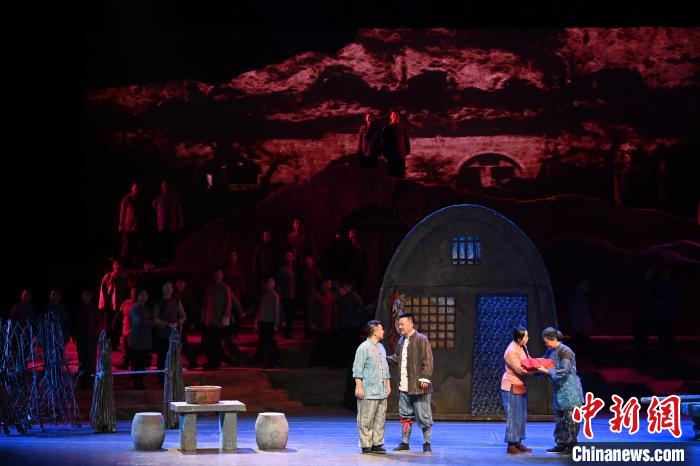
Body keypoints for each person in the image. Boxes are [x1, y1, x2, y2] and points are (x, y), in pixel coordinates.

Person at [387, 312, 434, 453]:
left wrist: (425, 377)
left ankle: (427, 442)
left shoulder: (421, 339)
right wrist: (382, 357)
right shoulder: (401, 341)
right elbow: (396, 358)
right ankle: (405, 442)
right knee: (405, 415)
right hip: (404, 386)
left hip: (419, 386)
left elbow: (428, 359)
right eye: (399, 324)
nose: (400, 327)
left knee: (423, 416)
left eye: (402, 324)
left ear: (411, 324)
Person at [536, 327, 584, 455]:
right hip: (559, 389)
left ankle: (571, 445)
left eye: (546, 341)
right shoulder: (550, 350)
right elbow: (543, 363)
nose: (546, 344)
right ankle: (561, 443)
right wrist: (533, 367)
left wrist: (547, 371)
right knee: (559, 419)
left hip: (570, 389)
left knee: (570, 419)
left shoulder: (565, 351)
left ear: (554, 339)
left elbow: (564, 370)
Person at [352, 320, 391, 455]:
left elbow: (385, 367)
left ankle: (377, 443)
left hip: (381, 390)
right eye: (381, 329)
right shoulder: (363, 348)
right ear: (374, 331)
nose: (383, 331)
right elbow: (357, 370)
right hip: (368, 390)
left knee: (380, 419)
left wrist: (388, 383)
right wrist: (359, 387)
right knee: (366, 418)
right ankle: (366, 444)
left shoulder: (381, 347)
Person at [501, 326, 532, 454]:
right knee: (513, 416)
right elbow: (520, 370)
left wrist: (536, 364)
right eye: (526, 336)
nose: (528, 338)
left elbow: (528, 361)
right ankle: (511, 445)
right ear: (519, 339)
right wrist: (537, 370)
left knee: (521, 416)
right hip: (511, 386)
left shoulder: (523, 347)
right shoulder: (511, 351)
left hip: (520, 385)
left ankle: (518, 442)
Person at [201, 269, 233, 370]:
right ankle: (214, 360)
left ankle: (216, 362)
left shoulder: (225, 287)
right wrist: (204, 316)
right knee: (210, 341)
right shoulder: (211, 287)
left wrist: (226, 317)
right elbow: (206, 302)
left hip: (219, 319)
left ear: (222, 275)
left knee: (216, 341)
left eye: (220, 273)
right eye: (216, 273)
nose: (218, 275)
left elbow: (228, 303)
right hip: (210, 319)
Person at [152, 282, 186, 373]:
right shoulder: (158, 302)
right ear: (163, 289)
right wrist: (167, 324)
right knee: (162, 357)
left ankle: (172, 375)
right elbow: (155, 319)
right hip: (161, 335)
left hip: (173, 335)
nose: (169, 289)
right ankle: (161, 376)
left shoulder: (176, 301)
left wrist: (177, 323)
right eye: (166, 287)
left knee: (172, 357)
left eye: (170, 287)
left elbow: (183, 315)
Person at [98, 260, 129, 349]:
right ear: (113, 266)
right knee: (108, 325)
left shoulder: (124, 278)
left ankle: (115, 344)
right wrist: (103, 304)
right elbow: (103, 290)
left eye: (119, 264)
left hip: (119, 306)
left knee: (117, 325)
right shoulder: (107, 276)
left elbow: (126, 292)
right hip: (109, 306)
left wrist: (125, 305)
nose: (118, 266)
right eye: (116, 264)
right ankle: (108, 344)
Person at [152, 180, 184, 263]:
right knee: (163, 243)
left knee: (171, 243)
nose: (165, 187)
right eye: (163, 185)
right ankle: (163, 259)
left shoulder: (174, 198)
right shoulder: (158, 199)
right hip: (161, 225)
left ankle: (172, 259)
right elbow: (154, 212)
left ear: (169, 187)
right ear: (161, 187)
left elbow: (179, 212)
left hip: (171, 225)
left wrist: (180, 223)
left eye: (166, 185)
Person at [118, 182, 149, 266]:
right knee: (126, 246)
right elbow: (122, 213)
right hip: (128, 228)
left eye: (138, 188)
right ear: (132, 188)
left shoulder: (141, 199)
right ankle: (123, 263)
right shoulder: (127, 199)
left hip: (138, 227)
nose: (137, 189)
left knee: (139, 247)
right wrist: (121, 226)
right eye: (135, 188)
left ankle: (137, 264)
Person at [128, 290, 153, 389]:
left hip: (145, 341)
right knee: (136, 363)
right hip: (136, 341)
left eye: (145, 295)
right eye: (142, 295)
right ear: (138, 296)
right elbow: (137, 322)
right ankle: (136, 382)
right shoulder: (134, 308)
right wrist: (152, 322)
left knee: (143, 363)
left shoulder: (147, 308)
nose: (144, 297)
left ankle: (140, 381)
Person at [74, 291, 100, 388]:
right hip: (81, 337)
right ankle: (83, 380)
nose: (87, 298)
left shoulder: (94, 309)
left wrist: (98, 334)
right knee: (82, 359)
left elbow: (98, 322)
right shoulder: (79, 308)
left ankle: (91, 380)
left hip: (91, 337)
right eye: (85, 296)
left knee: (91, 359)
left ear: (91, 297)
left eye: (88, 296)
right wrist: (74, 334)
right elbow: (75, 321)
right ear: (83, 297)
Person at [310, 277, 338, 367]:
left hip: (328, 324)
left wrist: (335, 321)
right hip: (320, 324)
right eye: (329, 283)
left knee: (326, 343)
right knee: (319, 343)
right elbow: (312, 310)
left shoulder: (331, 296)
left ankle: (324, 361)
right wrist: (313, 323)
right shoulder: (316, 296)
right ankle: (317, 361)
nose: (330, 285)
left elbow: (334, 310)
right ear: (324, 284)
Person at [255, 276, 281, 368]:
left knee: (268, 343)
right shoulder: (264, 294)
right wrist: (257, 320)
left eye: (271, 282)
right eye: (268, 282)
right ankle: (268, 360)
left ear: (273, 284)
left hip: (269, 322)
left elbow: (276, 310)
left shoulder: (274, 295)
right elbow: (260, 309)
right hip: (262, 321)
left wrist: (276, 324)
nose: (270, 284)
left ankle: (270, 362)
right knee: (264, 343)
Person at [336, 280, 363, 367]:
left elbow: (343, 311)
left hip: (349, 325)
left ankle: (349, 363)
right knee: (351, 345)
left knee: (349, 345)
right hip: (352, 324)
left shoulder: (349, 298)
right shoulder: (354, 297)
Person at [381, 110, 411, 178]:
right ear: (391, 116)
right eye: (394, 114)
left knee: (401, 174)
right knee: (391, 174)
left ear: (399, 116)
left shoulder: (403, 127)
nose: (395, 116)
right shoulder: (387, 127)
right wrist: (384, 153)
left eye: (397, 114)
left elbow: (406, 140)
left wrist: (407, 151)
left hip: (401, 154)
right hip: (391, 155)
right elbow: (384, 142)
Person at [114, 287, 137, 369]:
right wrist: (114, 322)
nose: (134, 293)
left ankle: (133, 364)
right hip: (125, 329)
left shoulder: (139, 304)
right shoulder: (126, 302)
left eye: (136, 292)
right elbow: (119, 313)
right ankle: (125, 363)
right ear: (131, 293)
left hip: (134, 331)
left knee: (132, 349)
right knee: (124, 346)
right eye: (133, 292)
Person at [275, 251, 297, 339]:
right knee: (286, 315)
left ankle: (289, 331)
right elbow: (278, 282)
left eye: (291, 256)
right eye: (288, 256)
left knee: (291, 315)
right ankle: (285, 332)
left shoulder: (295, 269)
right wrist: (279, 293)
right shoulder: (282, 269)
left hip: (293, 295)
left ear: (293, 258)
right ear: (285, 258)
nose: (289, 257)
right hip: (285, 296)